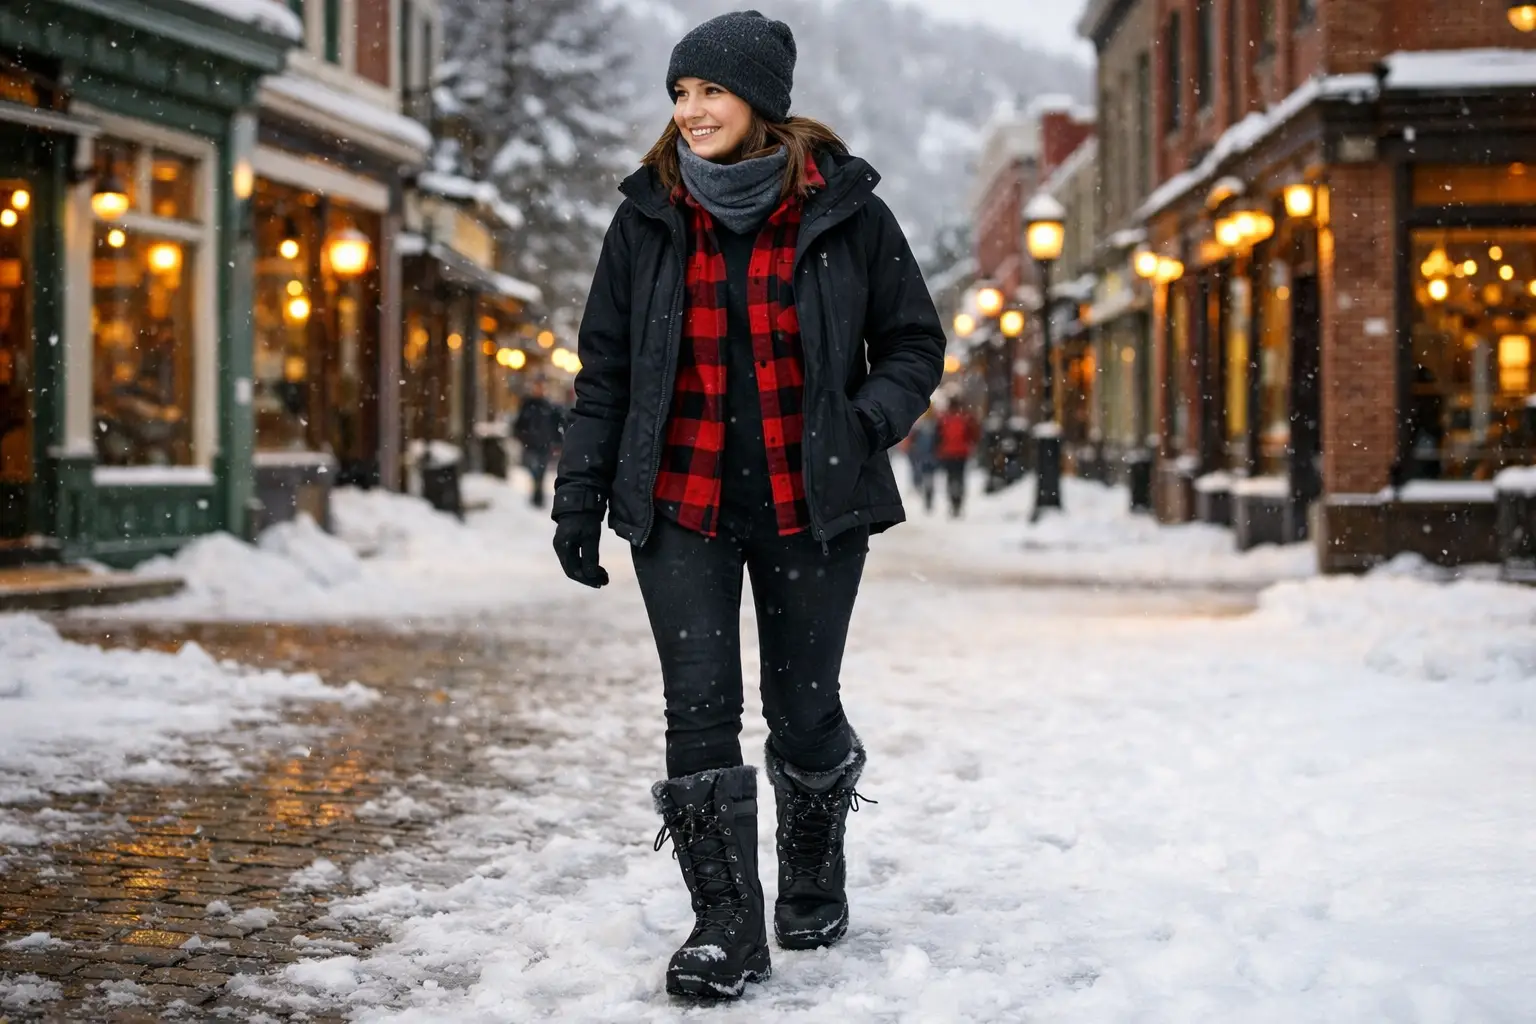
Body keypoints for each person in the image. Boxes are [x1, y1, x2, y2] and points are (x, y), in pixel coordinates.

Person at [550, 9, 944, 1000]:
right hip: (678, 502)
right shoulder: (647, 216)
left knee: (803, 708)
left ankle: (812, 865)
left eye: (710, 92)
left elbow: (913, 343)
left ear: (760, 102)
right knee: (699, 711)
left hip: (812, 497)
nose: (690, 111)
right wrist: (578, 494)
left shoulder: (845, 210)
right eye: (680, 94)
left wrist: (863, 420)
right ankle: (725, 920)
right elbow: (603, 371)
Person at [512, 378, 564, 507]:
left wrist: (557, 442)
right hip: (530, 445)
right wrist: (523, 437)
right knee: (533, 469)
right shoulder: (527, 406)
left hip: (544, 445)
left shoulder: (549, 407)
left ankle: (538, 495)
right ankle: (536, 493)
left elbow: (555, 426)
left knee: (541, 471)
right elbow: (519, 425)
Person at [935, 402, 979, 518]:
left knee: (950, 478)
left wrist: (939, 449)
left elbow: (938, 437)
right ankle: (958, 502)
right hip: (961, 454)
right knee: (960, 478)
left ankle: (952, 502)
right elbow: (973, 435)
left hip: (948, 454)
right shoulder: (965, 418)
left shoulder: (944, 419)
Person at [903, 410, 939, 513]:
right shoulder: (934, 426)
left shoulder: (921, 426)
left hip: (924, 456)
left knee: (925, 476)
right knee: (927, 477)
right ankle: (927, 496)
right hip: (928, 456)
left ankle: (926, 496)